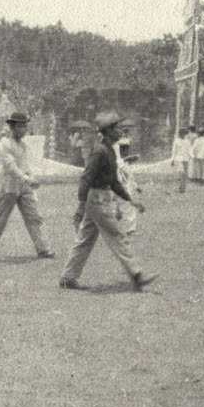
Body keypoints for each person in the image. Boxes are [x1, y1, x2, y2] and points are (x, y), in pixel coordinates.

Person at [63, 113, 155, 292]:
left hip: (100, 197)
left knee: (85, 239)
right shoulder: (100, 151)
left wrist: (131, 200)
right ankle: (137, 274)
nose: (120, 130)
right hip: (97, 199)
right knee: (118, 235)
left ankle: (68, 277)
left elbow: (113, 182)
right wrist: (81, 206)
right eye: (116, 127)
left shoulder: (110, 151)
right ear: (107, 131)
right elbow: (86, 178)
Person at [0, 112, 54, 261]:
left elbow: (25, 165)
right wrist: (26, 178)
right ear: (12, 127)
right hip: (9, 186)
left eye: (25, 125)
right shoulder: (5, 144)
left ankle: (43, 249)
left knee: (34, 217)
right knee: (1, 218)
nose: (23, 129)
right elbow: (11, 166)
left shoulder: (23, 145)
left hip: (24, 186)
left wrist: (31, 176)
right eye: (20, 126)